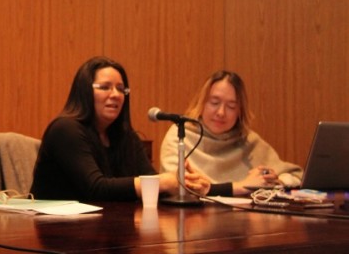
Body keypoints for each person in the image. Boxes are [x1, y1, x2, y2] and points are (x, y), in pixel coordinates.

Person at [31, 56, 210, 201]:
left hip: (108, 232)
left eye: (121, 89)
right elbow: (96, 188)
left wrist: (186, 185)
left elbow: (149, 180)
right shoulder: (65, 129)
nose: (116, 95)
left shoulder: (127, 137)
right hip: (59, 235)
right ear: (84, 91)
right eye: (105, 87)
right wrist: (162, 182)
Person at [160, 70, 303, 196]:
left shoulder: (249, 141)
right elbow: (177, 186)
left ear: (240, 111)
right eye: (214, 103)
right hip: (192, 221)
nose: (221, 112)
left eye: (231, 106)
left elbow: (296, 176)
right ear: (202, 103)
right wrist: (241, 186)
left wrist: (276, 181)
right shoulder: (180, 136)